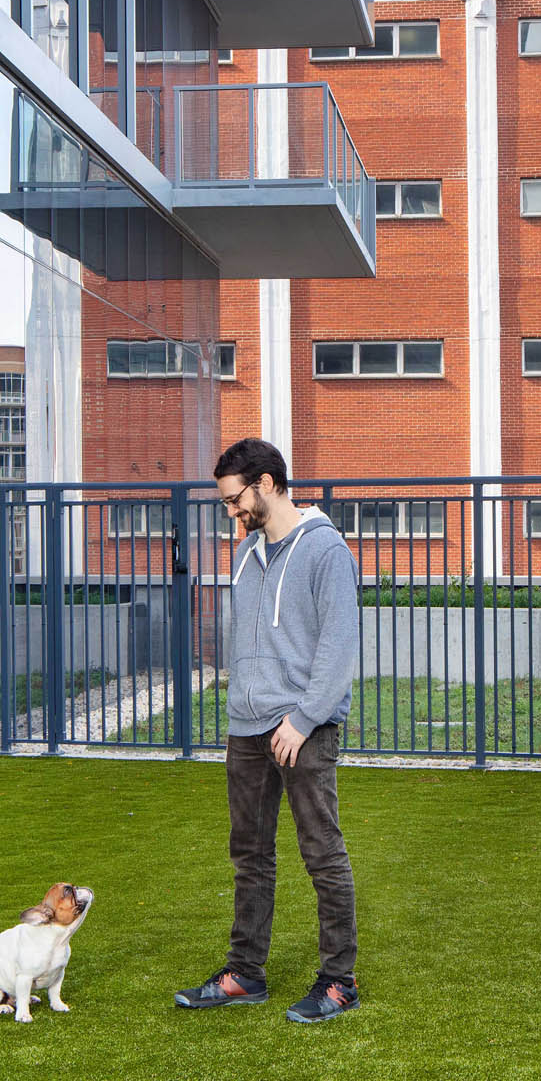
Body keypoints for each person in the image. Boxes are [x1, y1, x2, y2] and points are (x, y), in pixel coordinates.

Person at [174, 436, 363, 1022]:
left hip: (303, 728)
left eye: (235, 500)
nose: (231, 511)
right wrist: (241, 707)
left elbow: (338, 647)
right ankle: (245, 974)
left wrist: (302, 720)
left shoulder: (326, 550)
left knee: (322, 854)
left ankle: (339, 981)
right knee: (250, 855)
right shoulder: (246, 553)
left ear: (266, 483)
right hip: (247, 728)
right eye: (226, 503)